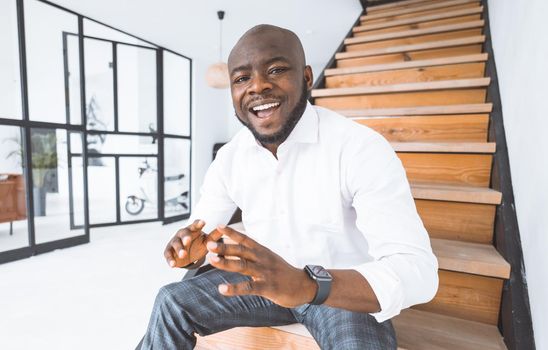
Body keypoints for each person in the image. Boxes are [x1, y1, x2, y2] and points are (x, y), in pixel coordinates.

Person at [139, 24, 438, 350]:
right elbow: (202, 230)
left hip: (335, 289)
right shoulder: (229, 158)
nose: (258, 87)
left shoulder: (359, 147)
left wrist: (309, 284)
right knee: (171, 300)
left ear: (307, 78)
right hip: (260, 282)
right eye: (241, 79)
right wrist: (190, 254)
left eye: (276, 70)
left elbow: (418, 272)